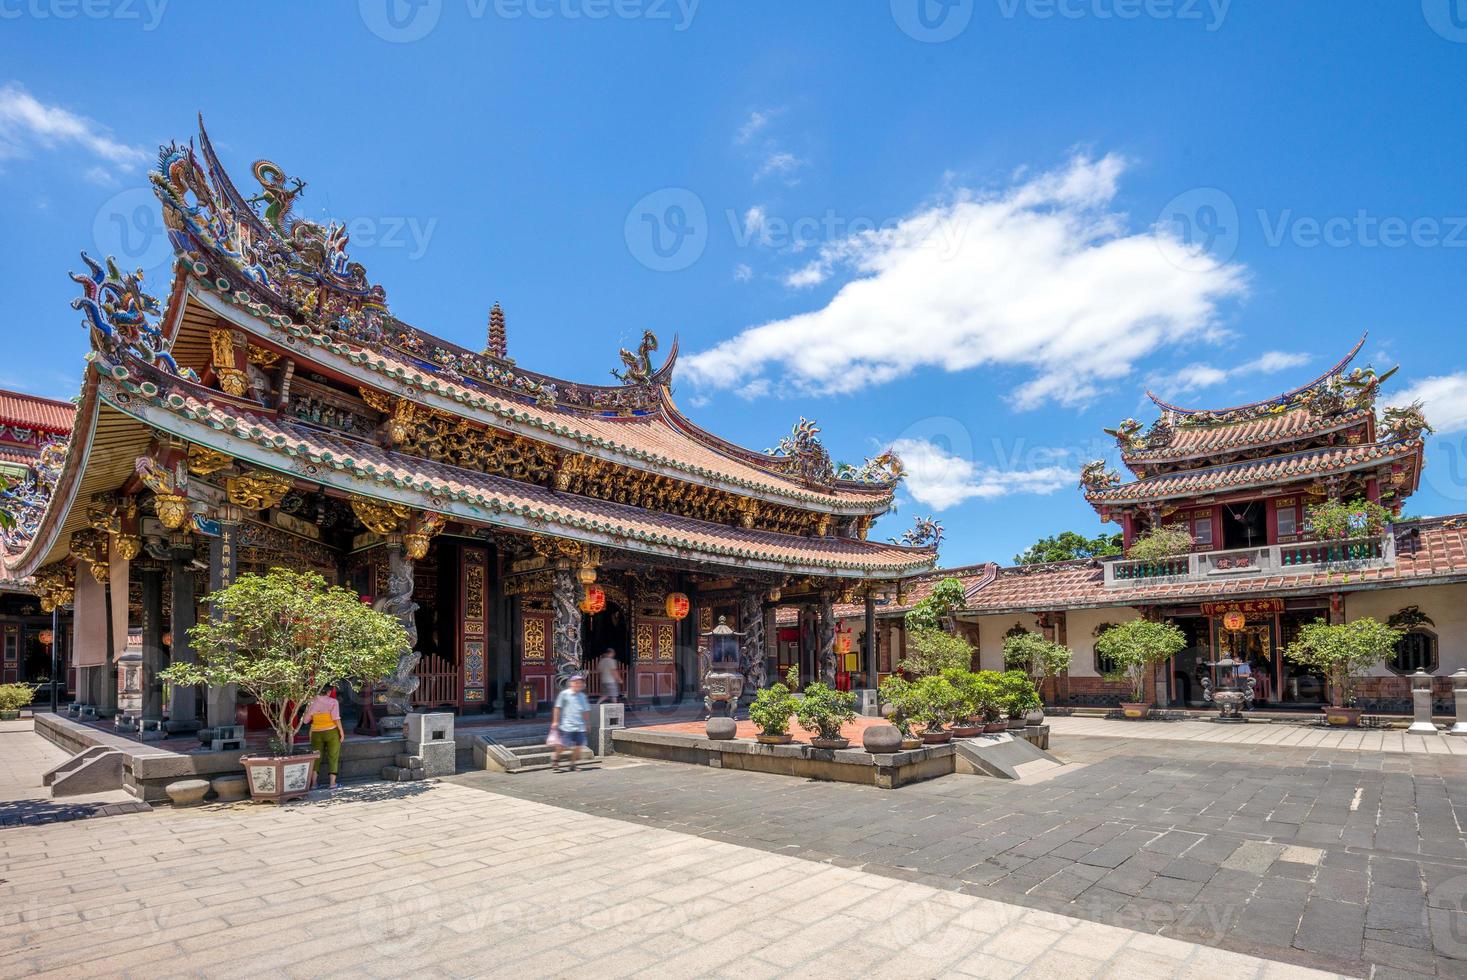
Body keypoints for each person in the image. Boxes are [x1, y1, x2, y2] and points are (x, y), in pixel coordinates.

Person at [305, 686, 345, 790]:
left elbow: (305, 720)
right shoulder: (333, 701)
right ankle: (332, 783)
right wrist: (341, 731)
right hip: (331, 731)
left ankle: (314, 784)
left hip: (316, 732)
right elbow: (336, 718)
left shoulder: (312, 701)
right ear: (329, 691)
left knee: (316, 758)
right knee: (333, 756)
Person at [551, 674, 590, 772]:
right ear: (571, 683)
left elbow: (585, 711)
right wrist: (555, 721)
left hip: (579, 726)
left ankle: (572, 764)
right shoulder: (564, 694)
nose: (578, 684)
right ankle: (555, 758)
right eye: (576, 682)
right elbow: (557, 707)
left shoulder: (582, 696)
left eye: (580, 683)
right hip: (567, 725)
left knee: (578, 746)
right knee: (563, 746)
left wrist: (587, 723)